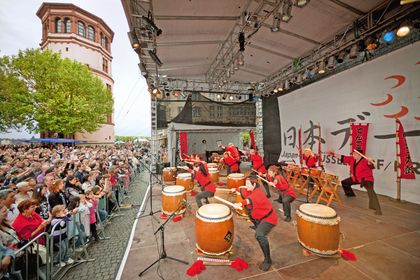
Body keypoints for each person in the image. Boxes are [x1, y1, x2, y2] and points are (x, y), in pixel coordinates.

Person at [233, 177, 277, 272]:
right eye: (246, 183)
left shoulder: (258, 193)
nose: (246, 185)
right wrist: (235, 189)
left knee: (259, 235)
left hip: (269, 218)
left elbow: (249, 200)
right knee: (251, 214)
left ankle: (268, 260)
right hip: (260, 218)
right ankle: (257, 225)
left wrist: (240, 204)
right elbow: (243, 189)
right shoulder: (251, 189)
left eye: (248, 184)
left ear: (254, 185)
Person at [328, 149, 382, 215]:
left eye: (354, 154)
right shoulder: (352, 159)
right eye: (353, 154)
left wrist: (370, 162)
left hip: (366, 179)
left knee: (371, 191)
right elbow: (343, 157)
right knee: (345, 182)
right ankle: (350, 194)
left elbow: (370, 165)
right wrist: (333, 154)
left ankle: (377, 209)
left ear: (359, 155)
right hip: (356, 178)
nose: (353, 155)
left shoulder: (365, 160)